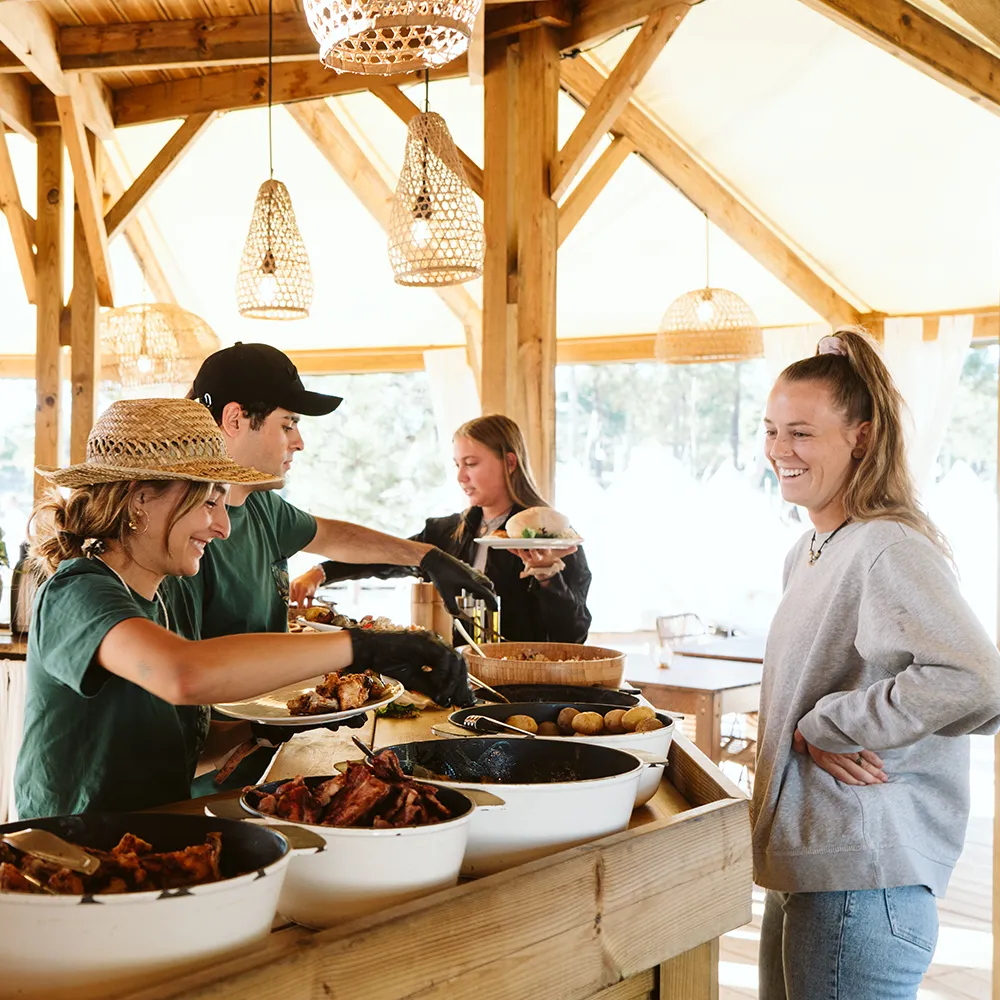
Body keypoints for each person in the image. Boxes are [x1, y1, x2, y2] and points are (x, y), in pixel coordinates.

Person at [14, 399, 473, 820]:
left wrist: (265, 731)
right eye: (208, 501)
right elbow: (183, 674)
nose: (223, 526)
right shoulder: (77, 591)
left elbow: (169, 750)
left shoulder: (168, 598)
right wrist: (364, 647)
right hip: (66, 852)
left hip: (152, 839)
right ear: (140, 498)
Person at [754, 328, 1000, 1000]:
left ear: (859, 438)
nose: (779, 449)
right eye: (771, 430)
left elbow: (974, 677)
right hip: (810, 860)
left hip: (863, 878)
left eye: (801, 433)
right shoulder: (810, 549)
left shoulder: (887, 545)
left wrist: (830, 724)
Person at [182, 343, 495, 786]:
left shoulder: (260, 505)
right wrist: (362, 647)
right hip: (200, 772)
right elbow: (185, 672)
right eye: (288, 424)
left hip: (258, 752)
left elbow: (332, 535)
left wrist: (427, 557)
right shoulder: (183, 534)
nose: (299, 441)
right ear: (235, 420)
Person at [292, 414, 592, 644]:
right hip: (458, 679)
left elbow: (574, 636)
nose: (461, 476)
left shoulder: (551, 538)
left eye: (471, 463)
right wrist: (322, 572)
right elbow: (388, 557)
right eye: (457, 465)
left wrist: (548, 579)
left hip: (521, 683)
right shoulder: (445, 532)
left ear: (510, 462)